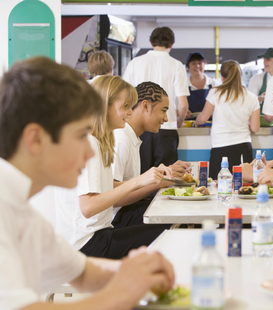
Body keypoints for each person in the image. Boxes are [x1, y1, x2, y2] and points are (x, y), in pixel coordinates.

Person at [0, 56, 174, 310]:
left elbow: (82, 271)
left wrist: (135, 271)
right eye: (81, 135)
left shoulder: (25, 210)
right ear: (36, 139)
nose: (91, 151)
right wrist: (121, 292)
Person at [55, 75, 169, 259]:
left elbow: (105, 187)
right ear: (104, 106)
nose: (130, 113)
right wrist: (139, 181)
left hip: (94, 237)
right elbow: (88, 207)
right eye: (125, 106)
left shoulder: (101, 142)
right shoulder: (89, 143)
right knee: (168, 230)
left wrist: (148, 180)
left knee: (167, 226)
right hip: (86, 244)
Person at [112, 81, 191, 228]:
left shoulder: (132, 137)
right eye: (163, 110)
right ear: (146, 106)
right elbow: (114, 198)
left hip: (127, 210)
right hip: (117, 217)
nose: (166, 118)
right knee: (177, 213)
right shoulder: (121, 139)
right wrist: (158, 182)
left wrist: (165, 172)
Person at [123, 27, 189, 171]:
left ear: (151, 42)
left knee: (140, 176)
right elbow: (183, 104)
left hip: (140, 128)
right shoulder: (177, 65)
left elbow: (125, 97)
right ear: (171, 44)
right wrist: (179, 121)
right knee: (167, 177)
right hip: (167, 129)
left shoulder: (135, 62)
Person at [195, 60, 260, 178]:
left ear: (222, 77)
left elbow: (203, 119)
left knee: (218, 186)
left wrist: (196, 122)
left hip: (221, 146)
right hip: (243, 146)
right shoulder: (252, 97)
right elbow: (255, 127)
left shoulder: (215, 93)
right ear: (240, 76)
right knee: (243, 187)